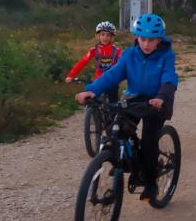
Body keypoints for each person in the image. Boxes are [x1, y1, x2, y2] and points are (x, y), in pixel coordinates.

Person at [75, 14, 177, 201]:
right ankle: (124, 160)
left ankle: (151, 182)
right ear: (136, 37)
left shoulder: (166, 55)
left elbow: (169, 78)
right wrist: (92, 90)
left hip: (157, 101)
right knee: (117, 130)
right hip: (134, 98)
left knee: (148, 140)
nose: (146, 44)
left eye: (151, 40)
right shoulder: (130, 55)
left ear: (159, 39)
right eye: (143, 39)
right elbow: (112, 75)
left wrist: (161, 97)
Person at [65, 21, 122, 101]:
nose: (105, 38)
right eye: (102, 34)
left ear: (112, 37)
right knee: (92, 102)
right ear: (97, 36)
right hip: (98, 81)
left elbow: (124, 64)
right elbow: (82, 62)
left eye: (108, 35)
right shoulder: (94, 50)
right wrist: (71, 75)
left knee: (114, 104)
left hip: (111, 81)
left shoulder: (117, 51)